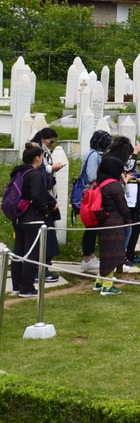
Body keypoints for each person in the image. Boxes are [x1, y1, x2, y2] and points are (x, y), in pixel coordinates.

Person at [7, 144, 52, 298]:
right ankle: (27, 288)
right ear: (37, 158)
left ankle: (16, 286)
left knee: (18, 252)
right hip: (32, 217)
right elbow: (36, 195)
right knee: (31, 254)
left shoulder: (18, 172)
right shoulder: (34, 174)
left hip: (18, 216)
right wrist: (45, 211)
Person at [105, 135, 140, 266]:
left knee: (135, 227)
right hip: (121, 199)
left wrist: (137, 178)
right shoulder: (113, 161)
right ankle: (121, 256)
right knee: (126, 229)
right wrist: (135, 154)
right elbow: (127, 169)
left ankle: (129, 254)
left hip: (132, 197)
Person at [29, 127, 64, 283]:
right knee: (46, 238)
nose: (51, 145)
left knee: (46, 238)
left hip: (44, 200)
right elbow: (40, 177)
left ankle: (41, 270)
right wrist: (51, 168)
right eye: (51, 142)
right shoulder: (37, 152)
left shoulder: (42, 151)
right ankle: (41, 271)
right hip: (42, 203)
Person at [92, 155, 130, 295]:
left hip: (103, 221)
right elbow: (123, 206)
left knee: (105, 254)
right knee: (112, 255)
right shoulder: (114, 185)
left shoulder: (99, 183)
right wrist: (129, 220)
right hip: (115, 223)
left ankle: (99, 282)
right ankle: (107, 286)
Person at [74, 129, 112, 272]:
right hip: (92, 194)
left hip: (93, 193)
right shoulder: (94, 155)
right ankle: (87, 259)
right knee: (91, 227)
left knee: (94, 227)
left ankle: (91, 256)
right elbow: (92, 176)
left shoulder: (95, 154)